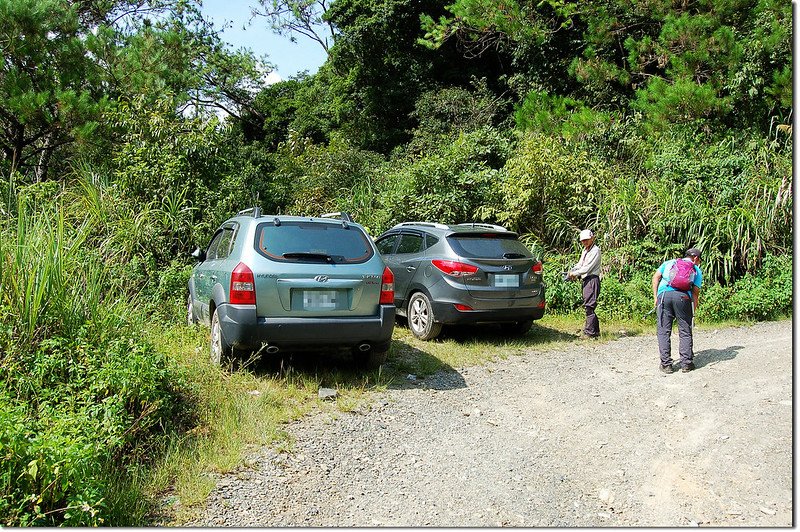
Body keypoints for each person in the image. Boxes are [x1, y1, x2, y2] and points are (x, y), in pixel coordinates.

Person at [652, 248, 703, 374]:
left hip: (664, 296)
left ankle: (666, 365)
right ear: (695, 258)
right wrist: (692, 311)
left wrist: (655, 297)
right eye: (699, 260)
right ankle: (686, 363)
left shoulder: (669, 263)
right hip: (683, 298)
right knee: (685, 331)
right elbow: (695, 294)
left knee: (664, 330)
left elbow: (655, 277)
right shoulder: (696, 270)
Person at [567, 229, 601, 339]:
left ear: (592, 238)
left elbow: (587, 268)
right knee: (589, 304)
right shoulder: (585, 250)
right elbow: (580, 264)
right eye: (583, 241)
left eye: (586, 240)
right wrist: (572, 270)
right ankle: (595, 331)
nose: (585, 242)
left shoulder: (595, 250)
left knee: (589, 306)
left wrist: (574, 273)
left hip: (592, 279)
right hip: (586, 280)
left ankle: (589, 332)